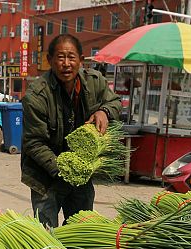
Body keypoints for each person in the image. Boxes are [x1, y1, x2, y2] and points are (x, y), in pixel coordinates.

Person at [21, 34, 119, 228]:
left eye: (71, 57)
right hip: (46, 175)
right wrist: (64, 169)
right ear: (49, 60)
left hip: (81, 174)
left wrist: (104, 111)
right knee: (46, 232)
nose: (66, 63)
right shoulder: (37, 95)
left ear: (81, 60)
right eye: (60, 57)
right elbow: (34, 142)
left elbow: (114, 101)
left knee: (80, 230)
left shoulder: (94, 81)